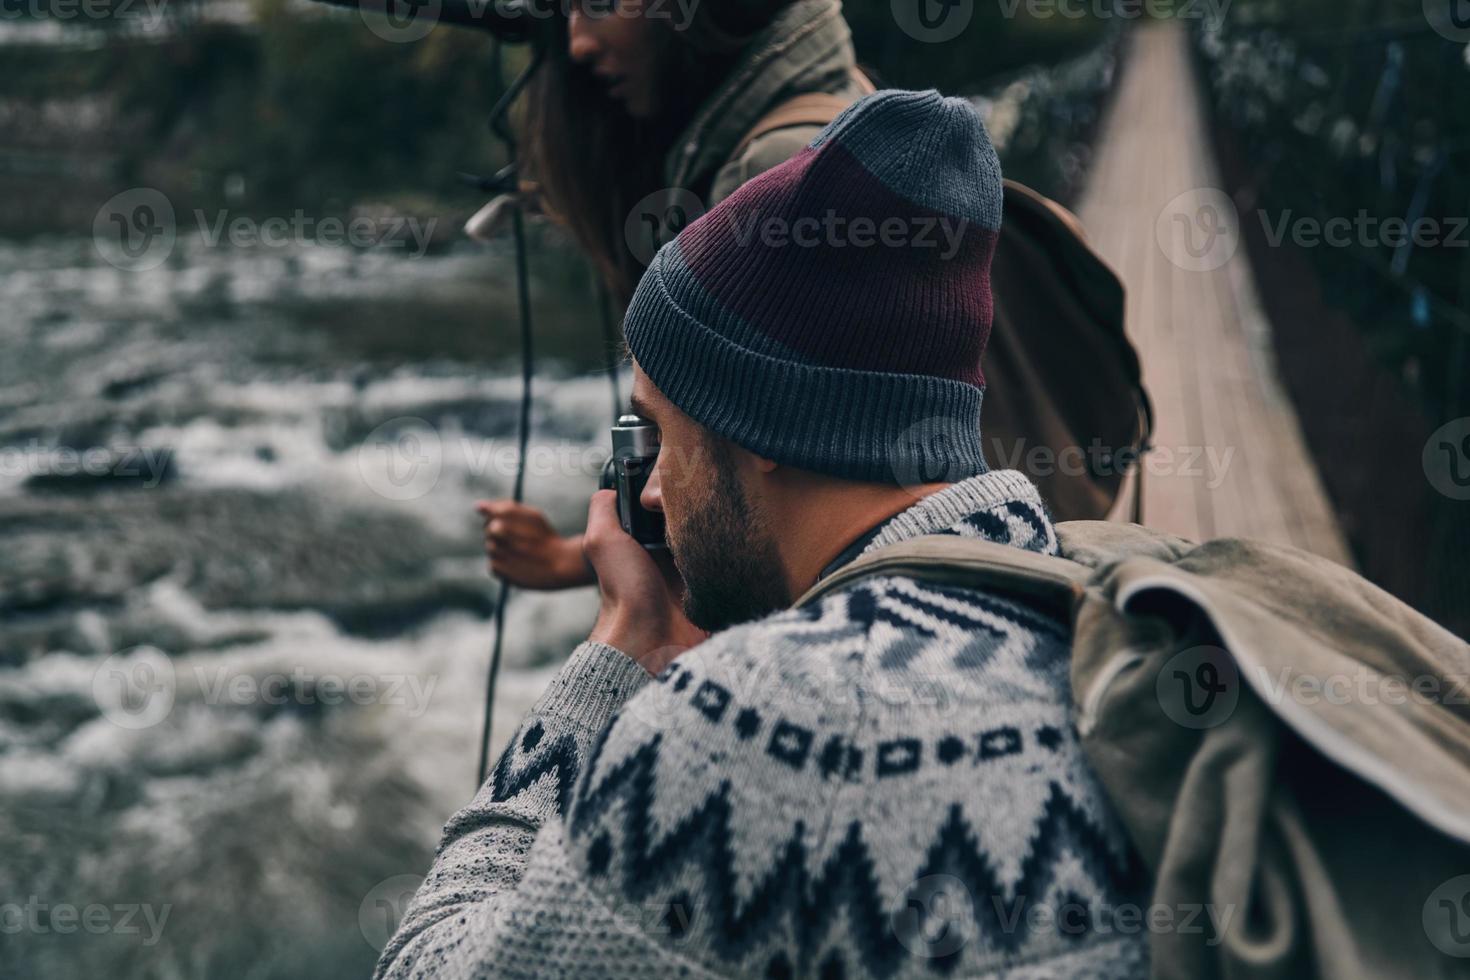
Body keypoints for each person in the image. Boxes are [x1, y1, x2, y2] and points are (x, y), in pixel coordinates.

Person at [378, 91, 1147, 979]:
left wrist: (620, 646)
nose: (653, 491)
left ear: (761, 424)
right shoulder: (1095, 603)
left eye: (661, 435)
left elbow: (424, 968)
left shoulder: (764, 718)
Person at [476, 0, 870, 590]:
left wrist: (577, 558)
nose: (577, 43)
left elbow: (786, 487)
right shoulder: (847, 109)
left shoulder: (776, 171)